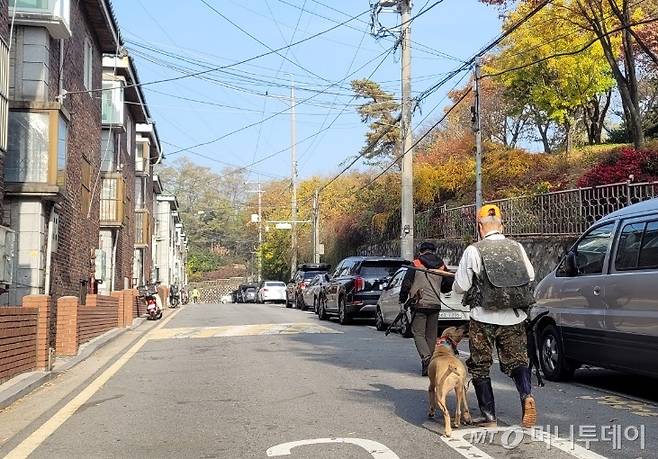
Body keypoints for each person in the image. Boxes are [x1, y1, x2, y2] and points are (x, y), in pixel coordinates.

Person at [453, 204, 537, 428]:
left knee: (480, 365)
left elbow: (461, 285)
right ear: (501, 225)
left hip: (483, 317)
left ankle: (489, 416)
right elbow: (530, 275)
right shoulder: (517, 247)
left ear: (480, 226)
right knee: (518, 361)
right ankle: (526, 395)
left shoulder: (474, 250)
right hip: (514, 316)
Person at [399, 241, 453, 376]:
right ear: (434, 251)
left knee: (418, 333)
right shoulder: (441, 266)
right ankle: (430, 364)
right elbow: (448, 284)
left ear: (421, 251)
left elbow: (406, 283)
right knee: (431, 335)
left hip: (419, 304)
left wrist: (402, 299)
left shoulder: (416, 264)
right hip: (435, 304)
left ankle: (427, 359)